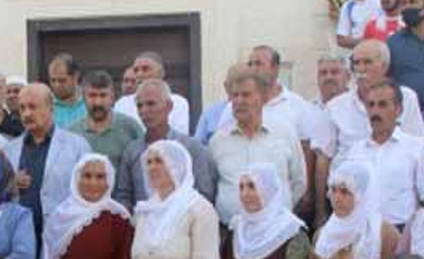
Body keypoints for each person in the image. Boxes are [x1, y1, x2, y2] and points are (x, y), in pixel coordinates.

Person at [209, 68, 308, 223]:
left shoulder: (284, 133)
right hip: (232, 235)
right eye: (235, 95)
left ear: (263, 98)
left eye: (246, 95)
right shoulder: (218, 141)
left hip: (276, 232)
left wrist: (276, 209)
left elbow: (299, 182)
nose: (239, 101)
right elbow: (212, 185)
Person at [333, 79, 424, 229]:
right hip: (361, 232)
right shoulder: (355, 151)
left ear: (399, 110)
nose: (375, 111)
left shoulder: (417, 148)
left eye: (382, 105)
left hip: (401, 232)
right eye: (371, 105)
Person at [4, 83, 91, 239]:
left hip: (64, 234)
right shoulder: (10, 149)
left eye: (33, 107)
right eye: (22, 108)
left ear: (51, 107)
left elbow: (89, 193)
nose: (26, 114)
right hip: (21, 238)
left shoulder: (77, 145)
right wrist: (10, 184)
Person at [117, 78, 217, 210]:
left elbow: (205, 193)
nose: (144, 111)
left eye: (151, 104)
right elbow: (124, 195)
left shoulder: (191, 148)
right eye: (140, 106)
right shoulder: (132, 151)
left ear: (169, 107)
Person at [325, 40, 424, 158]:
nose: (361, 69)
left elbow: (420, 146)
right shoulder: (335, 107)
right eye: (356, 63)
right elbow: (324, 157)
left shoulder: (406, 98)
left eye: (367, 62)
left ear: (384, 66)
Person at [69, 70, 144, 168]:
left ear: (112, 97)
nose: (98, 102)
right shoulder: (72, 133)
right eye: (92, 95)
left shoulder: (131, 128)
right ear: (83, 97)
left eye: (103, 95)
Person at [112, 51, 191, 134]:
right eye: (136, 70)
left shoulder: (178, 102)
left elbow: (179, 136)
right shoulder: (122, 103)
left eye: (145, 69)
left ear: (161, 73)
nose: (139, 74)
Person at [48, 53, 86, 129]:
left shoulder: (90, 103)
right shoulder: (46, 105)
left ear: (75, 77)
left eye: (62, 80)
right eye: (53, 80)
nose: (57, 85)